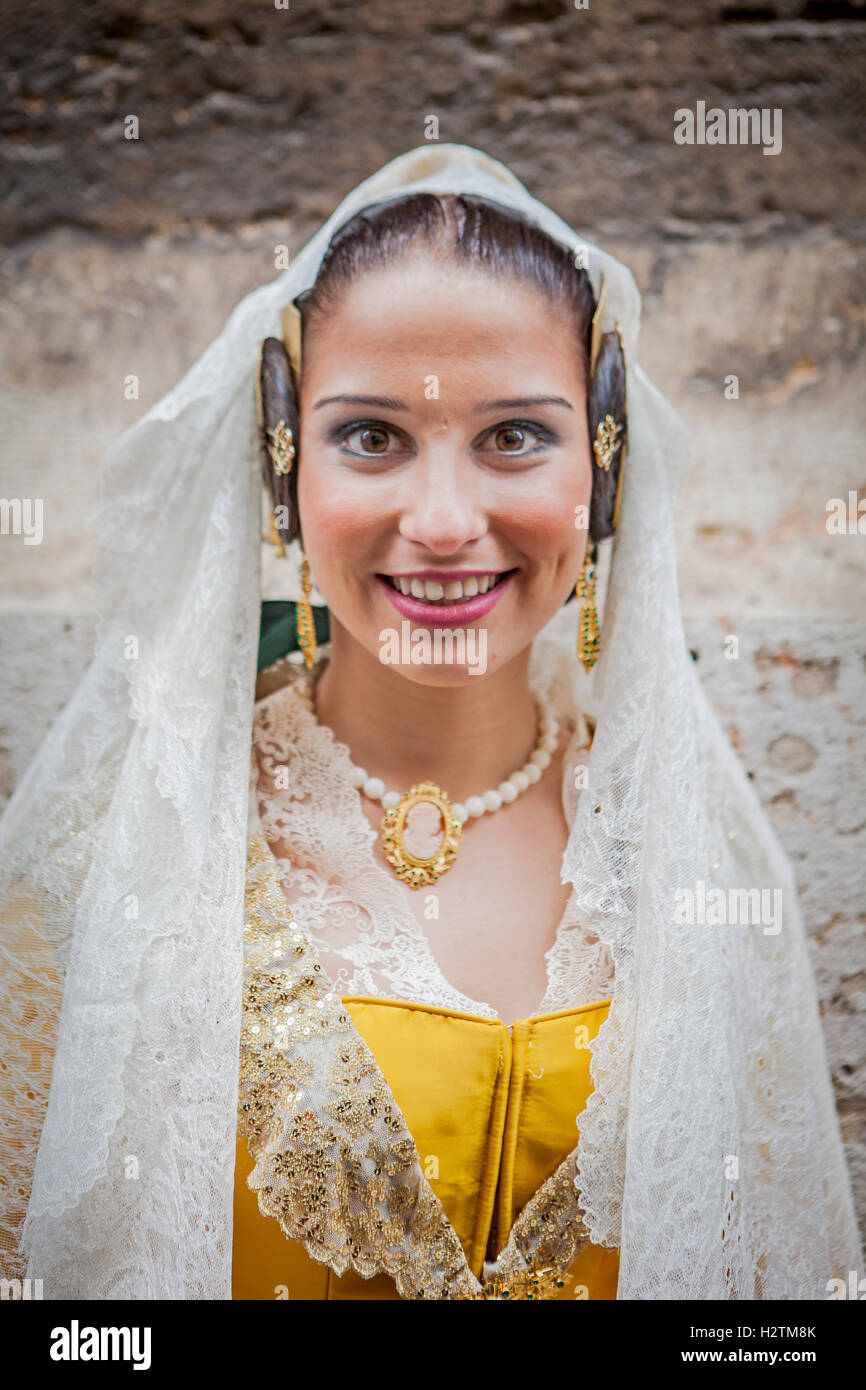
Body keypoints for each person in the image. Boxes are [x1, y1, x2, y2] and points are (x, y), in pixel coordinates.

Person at [0, 143, 860, 1301]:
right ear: (281, 459)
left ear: (601, 469)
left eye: (513, 435)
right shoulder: (115, 857)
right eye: (371, 436)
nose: (445, 520)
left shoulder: (687, 858)